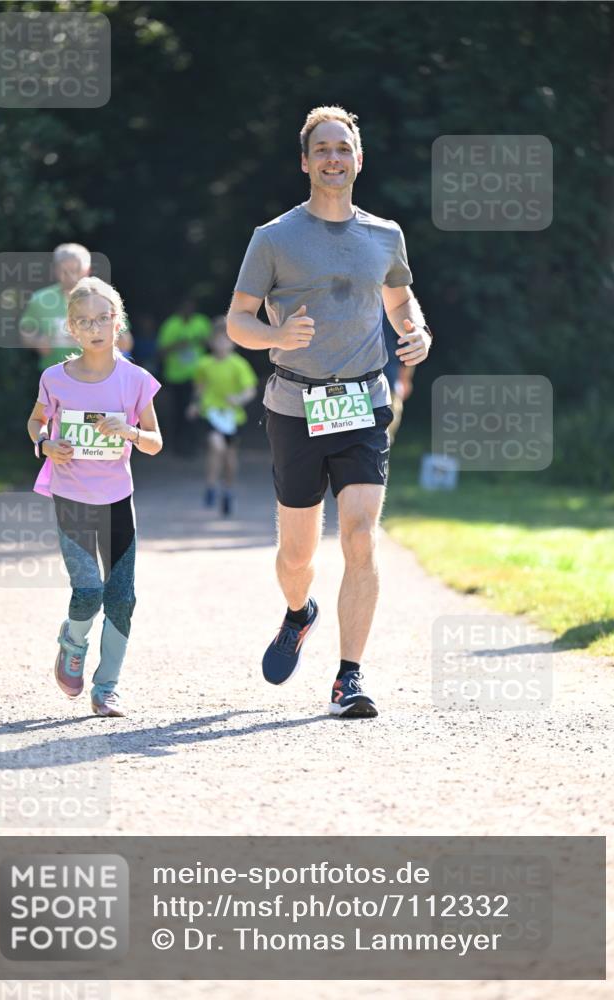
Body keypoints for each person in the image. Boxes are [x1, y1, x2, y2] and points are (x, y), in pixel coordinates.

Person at [227, 105, 432, 719]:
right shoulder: (274, 238)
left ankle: (349, 676)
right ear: (305, 162)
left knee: (361, 535)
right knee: (297, 555)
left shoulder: (385, 235)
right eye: (322, 149)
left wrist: (416, 330)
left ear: (358, 159)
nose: (333, 158)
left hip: (363, 401)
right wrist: (276, 336)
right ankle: (299, 612)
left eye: (343, 148)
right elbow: (238, 321)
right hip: (295, 405)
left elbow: (400, 300)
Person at [26, 277, 162, 717]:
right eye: (84, 322)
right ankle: (72, 643)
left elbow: (155, 441)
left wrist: (130, 432)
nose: (95, 328)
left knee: (121, 597)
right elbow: (36, 422)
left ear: (117, 322)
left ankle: (107, 688)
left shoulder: (136, 379)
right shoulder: (54, 378)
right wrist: (45, 444)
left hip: (117, 500)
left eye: (103, 318)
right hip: (71, 497)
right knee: (87, 592)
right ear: (71, 329)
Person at [19, 244, 134, 370]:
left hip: (101, 374)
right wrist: (37, 342)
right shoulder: (40, 300)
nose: (71, 276)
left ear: (88, 269)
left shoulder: (105, 297)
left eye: (76, 270)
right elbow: (26, 332)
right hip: (57, 375)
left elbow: (126, 343)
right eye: (65, 271)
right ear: (55, 270)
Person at [187, 317, 258, 516]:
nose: (222, 343)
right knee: (216, 445)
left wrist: (239, 399)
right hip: (210, 414)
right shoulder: (204, 364)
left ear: (233, 342)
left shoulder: (239, 364)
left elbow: (250, 390)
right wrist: (194, 405)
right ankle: (211, 485)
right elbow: (199, 388)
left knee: (229, 456)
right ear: (211, 342)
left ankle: (228, 489)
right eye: (218, 339)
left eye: (226, 339)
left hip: (233, 418)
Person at [156, 297, 212, 455]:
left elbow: (213, 344)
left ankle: (195, 445)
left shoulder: (202, 322)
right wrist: (177, 345)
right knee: (178, 411)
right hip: (176, 377)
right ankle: (177, 446)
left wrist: (201, 341)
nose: (188, 310)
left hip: (198, 376)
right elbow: (160, 352)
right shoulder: (170, 325)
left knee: (197, 410)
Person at [382, 311, 415, 444]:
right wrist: (405, 379)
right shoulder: (393, 303)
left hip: (386, 381)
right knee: (383, 442)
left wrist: (404, 379)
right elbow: (408, 343)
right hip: (388, 382)